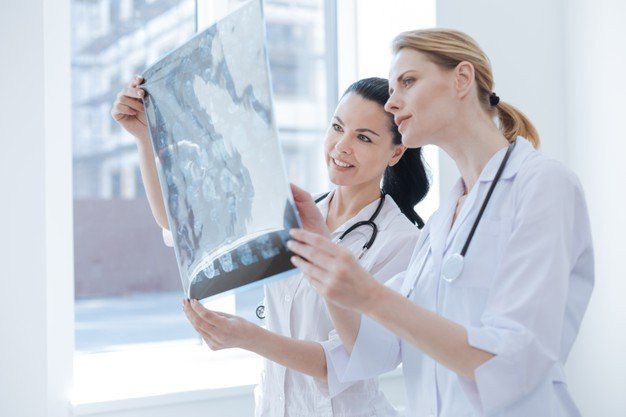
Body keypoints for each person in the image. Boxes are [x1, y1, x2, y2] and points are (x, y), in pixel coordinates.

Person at [286, 29, 594, 417]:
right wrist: (324, 259)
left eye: (407, 82)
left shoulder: (542, 185)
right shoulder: (440, 224)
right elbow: (373, 348)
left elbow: (515, 360)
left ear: (462, 79)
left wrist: (370, 295)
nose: (392, 102)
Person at [111, 76, 431, 417]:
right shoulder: (295, 210)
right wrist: (144, 138)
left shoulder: (401, 242)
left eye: (363, 137)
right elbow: (181, 228)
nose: (341, 146)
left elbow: (347, 360)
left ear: (396, 152)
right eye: (338, 127)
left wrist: (246, 336)